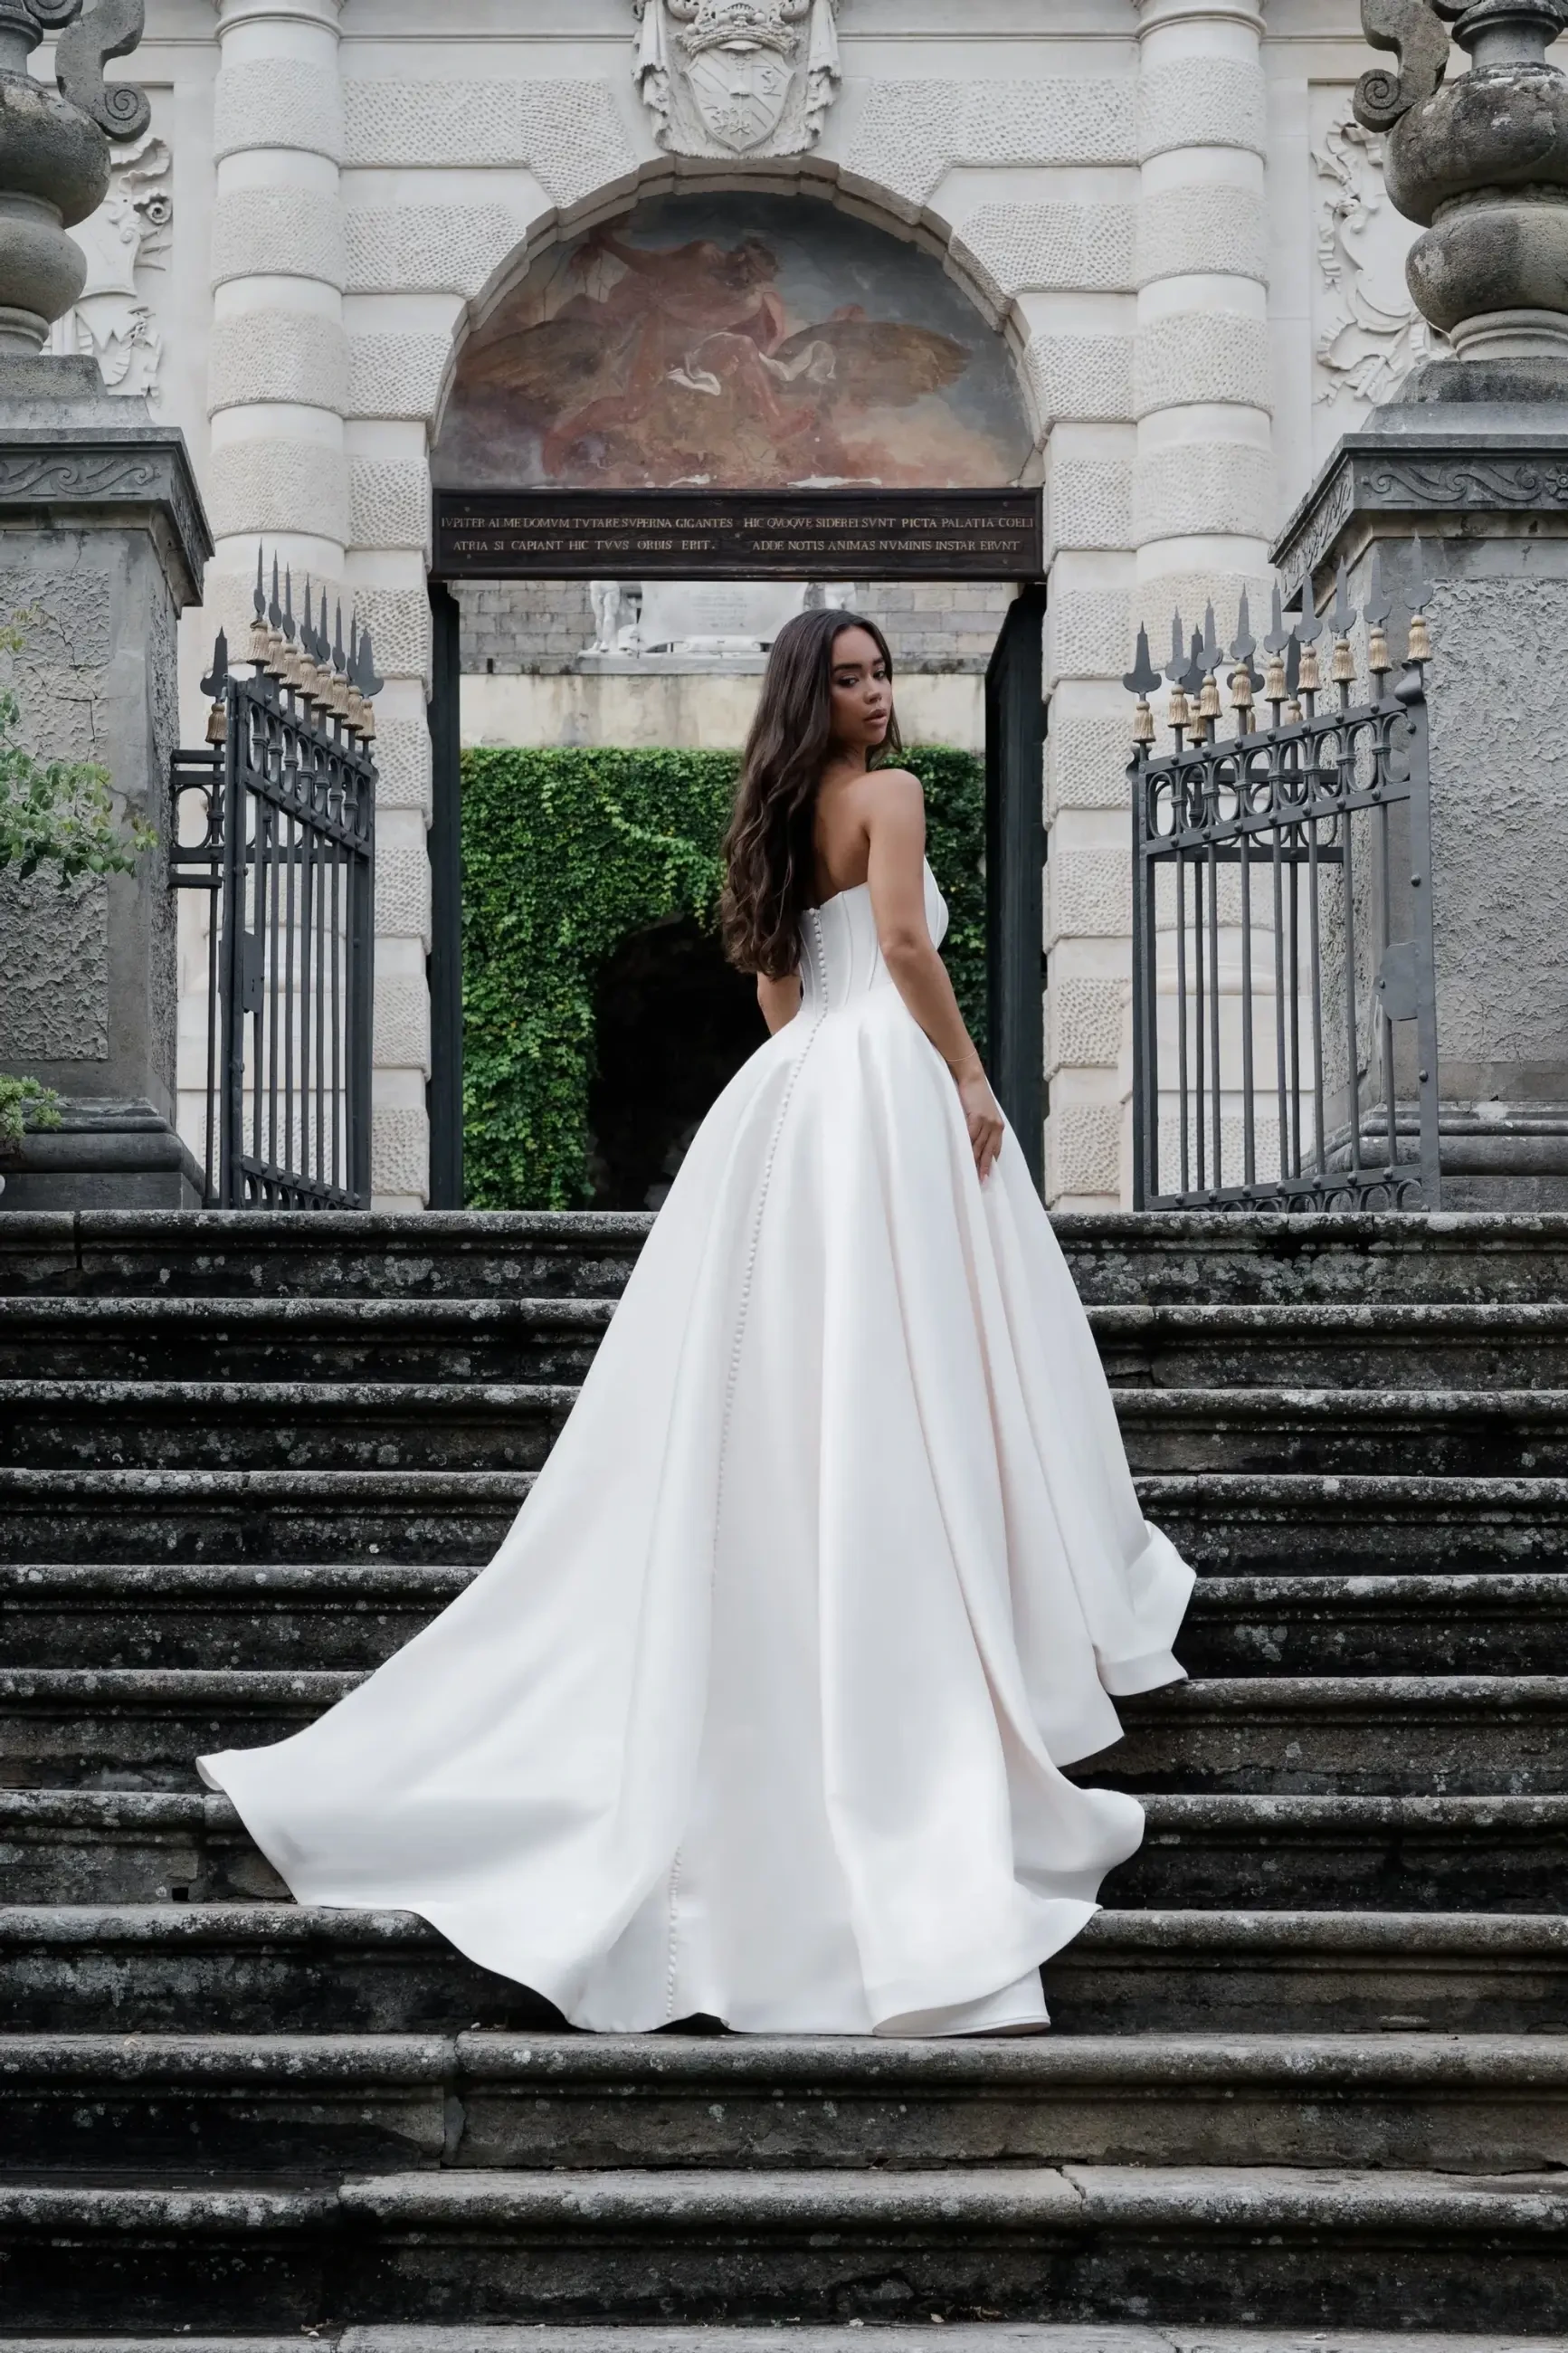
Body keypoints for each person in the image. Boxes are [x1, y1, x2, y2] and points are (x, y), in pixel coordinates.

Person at [200, 608, 1193, 2038]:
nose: (875, 694)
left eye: (878, 670)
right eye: (850, 677)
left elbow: (784, 999)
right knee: (909, 1351)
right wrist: (968, 1080)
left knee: (802, 1364)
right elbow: (906, 944)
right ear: (817, 694)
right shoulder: (898, 798)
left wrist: (830, 1087)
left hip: (790, 1101)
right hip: (886, 1084)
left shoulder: (780, 819)